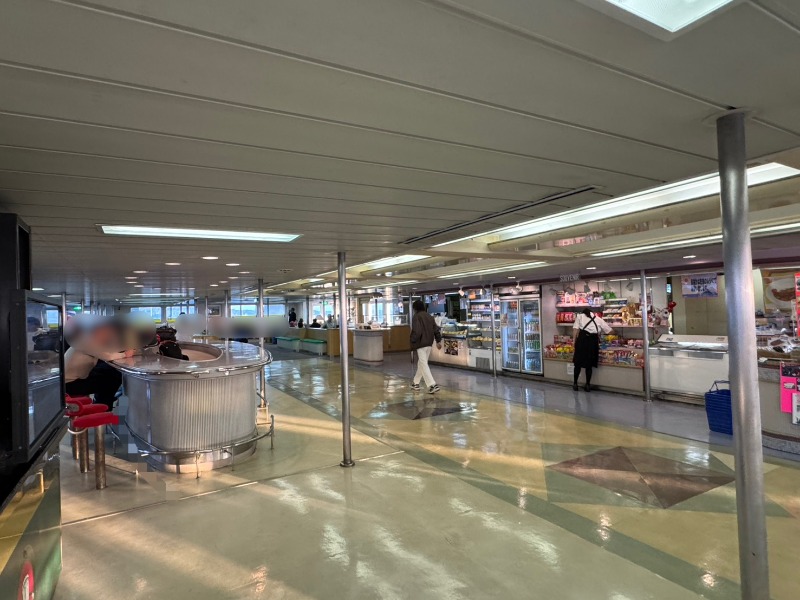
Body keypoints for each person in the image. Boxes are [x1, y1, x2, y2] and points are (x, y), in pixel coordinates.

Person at [65, 321, 137, 410]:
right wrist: (125, 354)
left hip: (75, 379)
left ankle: (102, 403)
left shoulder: (88, 340)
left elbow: (108, 351)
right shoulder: (87, 342)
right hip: (70, 384)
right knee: (111, 380)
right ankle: (103, 407)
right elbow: (108, 356)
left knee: (109, 374)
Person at [572, 308, 613, 392]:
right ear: (592, 313)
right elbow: (609, 331)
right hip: (593, 341)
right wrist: (617, 333)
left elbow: (575, 329)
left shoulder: (579, 316)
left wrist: (574, 341)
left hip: (582, 341)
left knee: (577, 363)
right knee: (589, 364)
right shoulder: (598, 319)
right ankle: (587, 385)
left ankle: (575, 384)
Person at [410, 300, 442, 394]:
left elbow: (417, 331)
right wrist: (438, 341)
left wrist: (412, 340)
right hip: (429, 343)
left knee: (423, 364)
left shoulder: (416, 317)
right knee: (422, 363)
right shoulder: (429, 316)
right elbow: (436, 329)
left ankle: (432, 385)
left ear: (415, 308)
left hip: (420, 343)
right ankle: (415, 383)